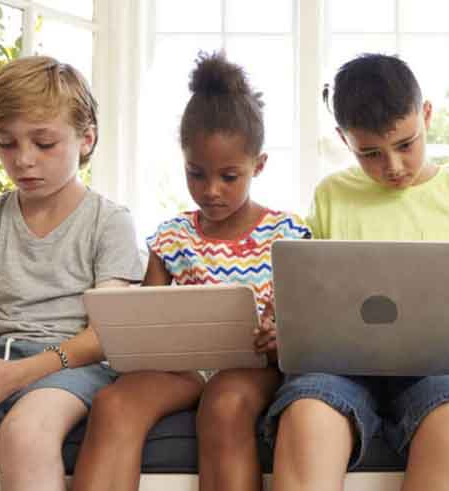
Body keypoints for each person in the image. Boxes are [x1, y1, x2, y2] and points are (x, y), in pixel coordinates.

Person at [71, 52, 310, 491]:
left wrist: (279, 336)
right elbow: (149, 326)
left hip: (255, 367)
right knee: (113, 403)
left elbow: (302, 328)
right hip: (182, 370)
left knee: (225, 402)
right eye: (196, 174)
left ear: (258, 166)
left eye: (229, 176)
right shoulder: (171, 237)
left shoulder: (288, 233)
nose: (211, 190)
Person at [265, 53, 449, 491]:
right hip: (340, 365)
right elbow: (311, 292)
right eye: (370, 153)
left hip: (443, 365)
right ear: (343, 139)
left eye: (406, 144)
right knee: (307, 413)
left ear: (426, 114)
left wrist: (448, 324)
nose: (392, 166)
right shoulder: (331, 195)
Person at [0, 56, 144, 491]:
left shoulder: (110, 222)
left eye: (44, 143)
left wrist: (19, 375)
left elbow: (103, 336)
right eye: (6, 143)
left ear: (86, 139)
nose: (23, 160)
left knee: (23, 436)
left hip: (72, 366)